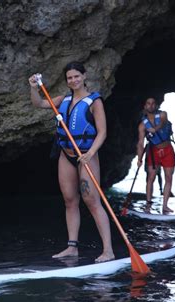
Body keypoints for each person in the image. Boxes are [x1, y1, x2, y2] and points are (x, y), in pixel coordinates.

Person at [28, 61, 115, 263]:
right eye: (69, 77)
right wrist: (33, 88)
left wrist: (91, 153)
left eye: (77, 76)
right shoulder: (63, 99)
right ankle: (72, 247)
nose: (73, 80)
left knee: (92, 201)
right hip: (66, 155)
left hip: (87, 155)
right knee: (69, 200)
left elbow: (102, 132)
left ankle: (108, 250)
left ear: (84, 76)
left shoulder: (94, 101)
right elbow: (39, 103)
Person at [136, 98, 175, 214]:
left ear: (156, 105)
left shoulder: (163, 114)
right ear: (145, 106)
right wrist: (139, 159)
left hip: (167, 150)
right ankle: (148, 205)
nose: (151, 105)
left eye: (153, 103)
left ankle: (165, 206)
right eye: (148, 103)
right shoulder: (142, 125)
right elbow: (140, 143)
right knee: (151, 178)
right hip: (154, 152)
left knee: (168, 177)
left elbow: (163, 122)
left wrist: (155, 129)